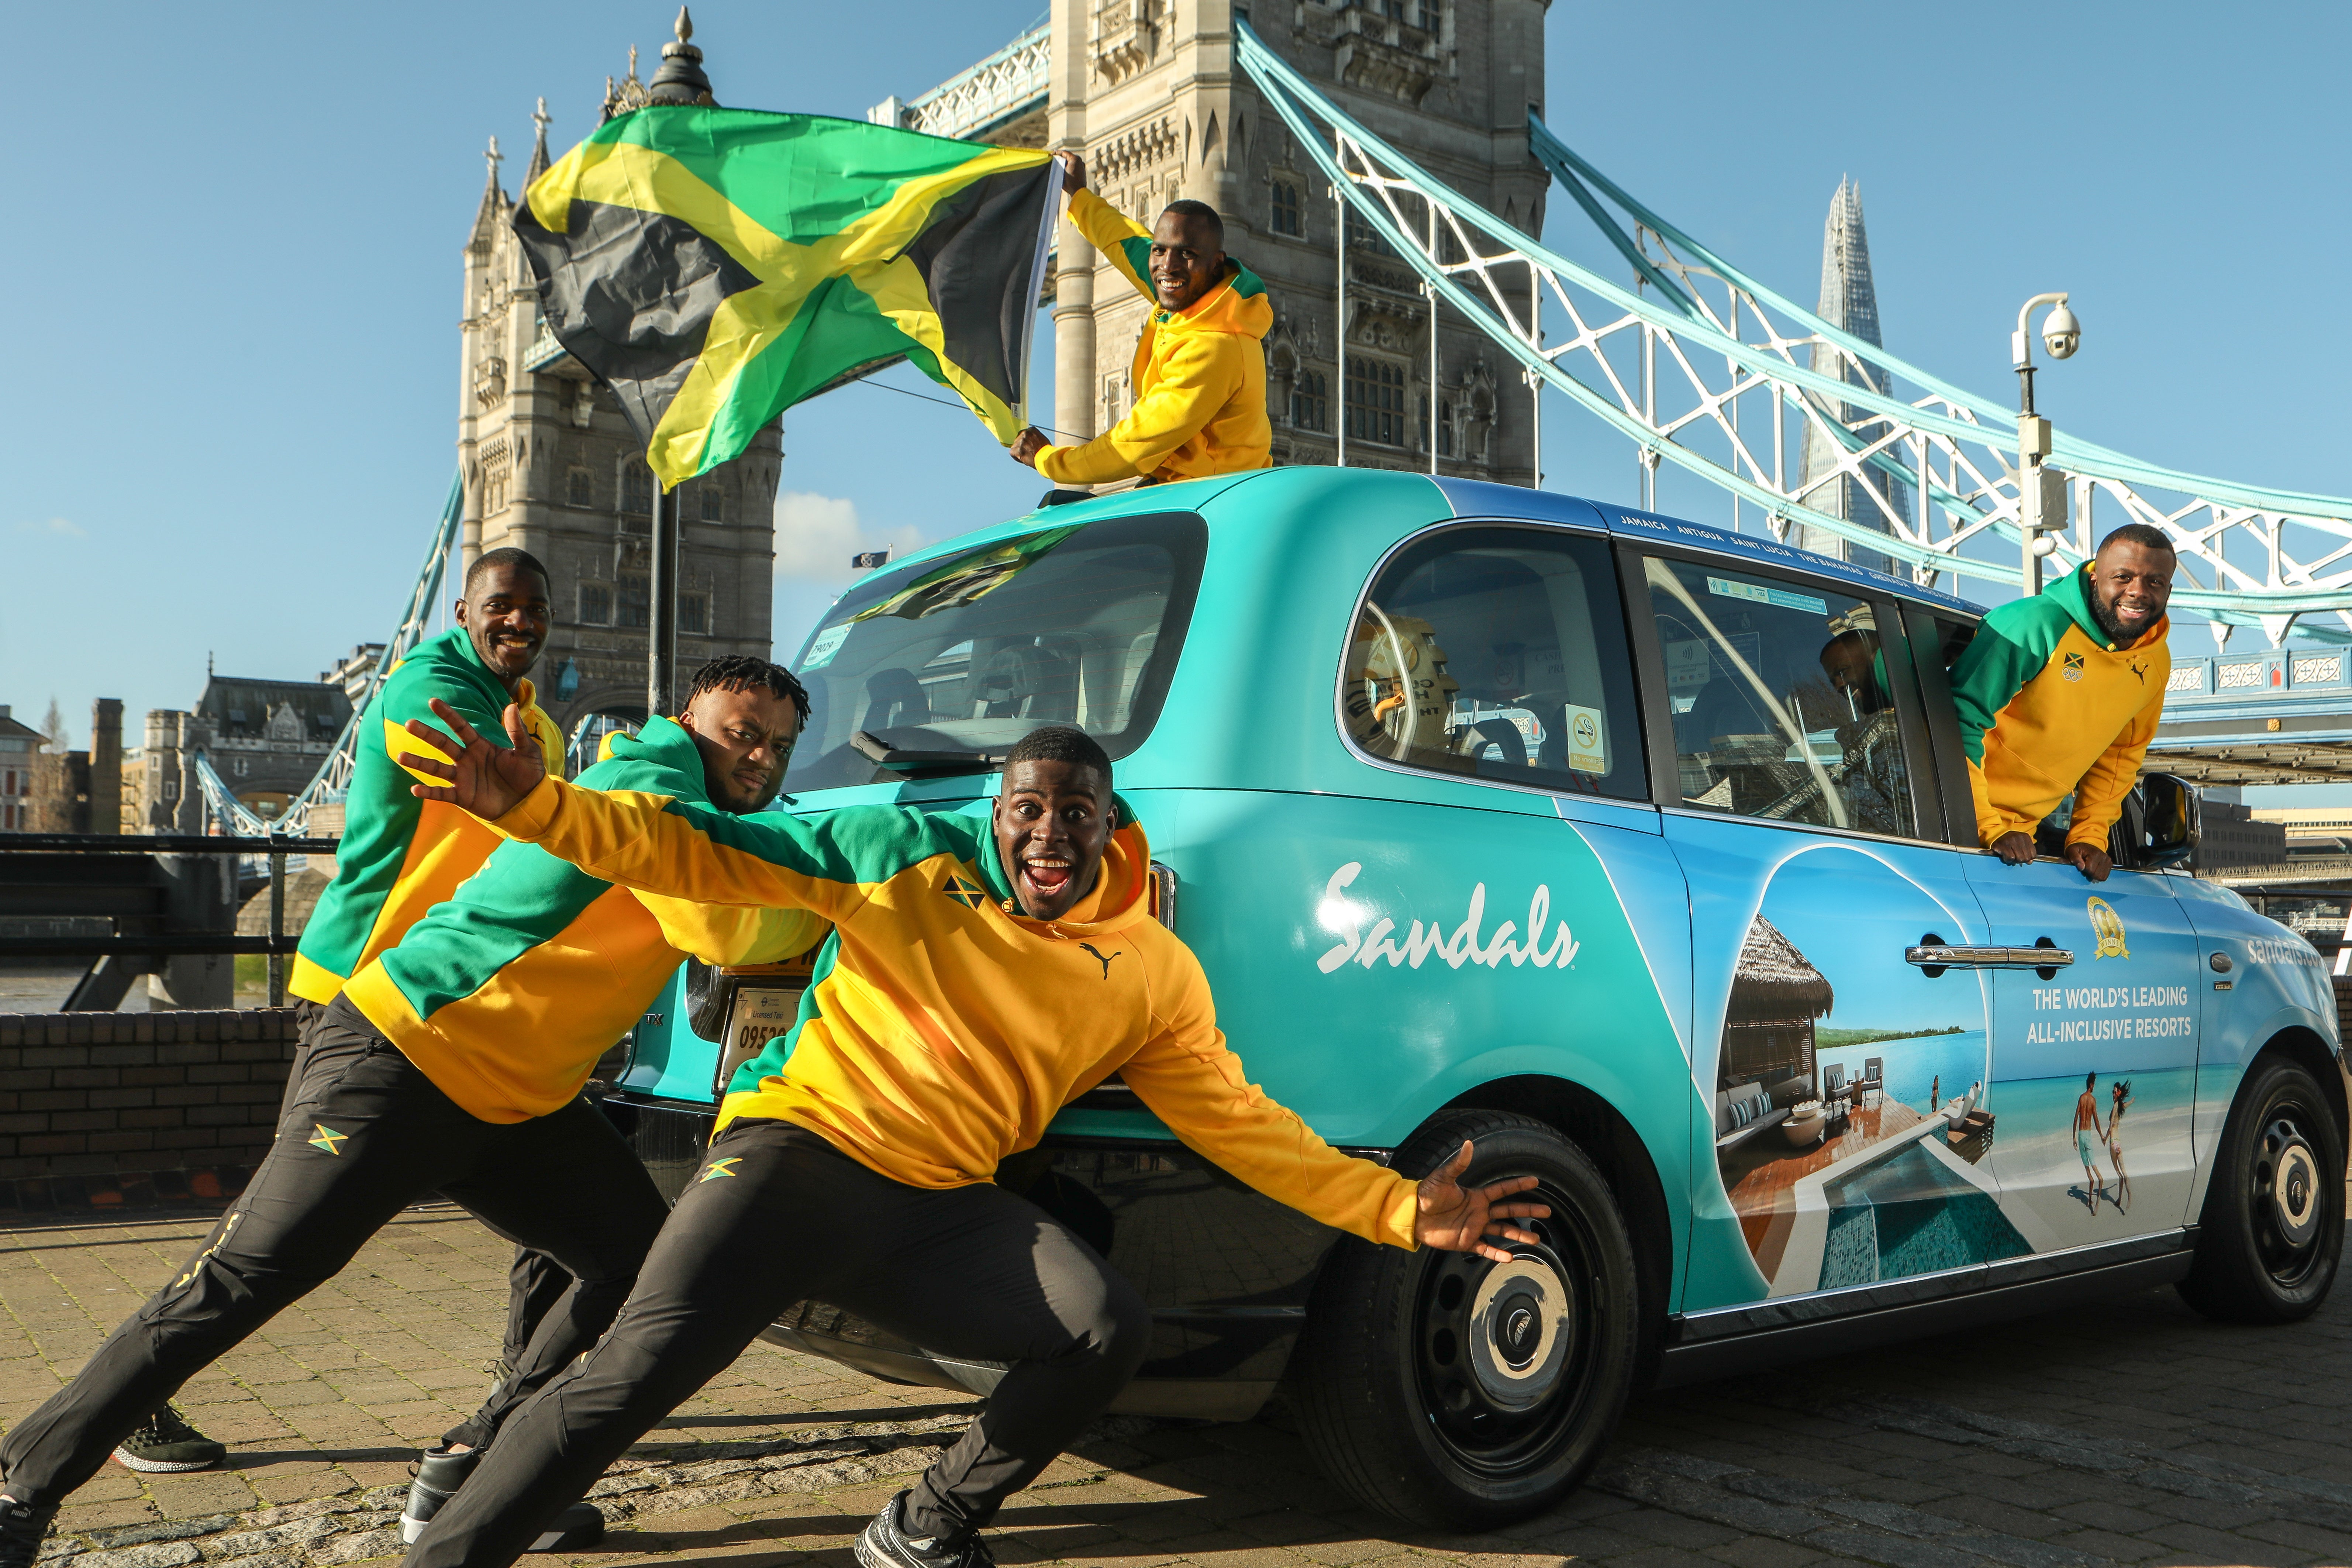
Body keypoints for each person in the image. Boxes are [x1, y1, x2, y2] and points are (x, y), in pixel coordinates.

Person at [389, 717, 1549, 1568]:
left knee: (1103, 1329)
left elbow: (1243, 1126)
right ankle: (452, 1547)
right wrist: (535, 808)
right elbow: (700, 847)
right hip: (793, 1156)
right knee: (632, 1377)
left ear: (1109, 827)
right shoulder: (908, 856)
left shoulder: (1150, 969)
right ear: (998, 815)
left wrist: (1401, 1210)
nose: (1047, 835)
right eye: (1026, 810)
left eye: (1075, 814)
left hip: (938, 1206)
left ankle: (923, 1524)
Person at [0, 659, 822, 1568]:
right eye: (740, 733)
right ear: (684, 719)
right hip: (406, 1054)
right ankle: (22, 1486)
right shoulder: (647, 781)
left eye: (779, 746)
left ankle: (474, 1472)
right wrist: (832, 905)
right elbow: (725, 927)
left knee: (637, 1265)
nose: (759, 758)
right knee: (241, 1281)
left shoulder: (733, 821)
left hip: (521, 1103)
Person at [1009, 152, 1271, 487]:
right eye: (1160, 250)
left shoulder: (1214, 348)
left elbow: (1133, 445)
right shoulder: (1192, 297)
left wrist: (1049, 460)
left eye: (1187, 254)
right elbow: (1128, 243)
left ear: (1217, 264)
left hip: (1213, 502)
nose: (1168, 266)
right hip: (1177, 488)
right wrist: (1080, 197)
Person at [1948, 524, 2175, 882]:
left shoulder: (2155, 662)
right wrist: (1986, 827)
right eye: (2122, 577)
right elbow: (1958, 722)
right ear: (2093, 578)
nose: (2137, 592)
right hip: (1947, 827)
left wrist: (2089, 836)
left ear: (2168, 589)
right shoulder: (2030, 624)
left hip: (2019, 845)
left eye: (2154, 582)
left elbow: (2121, 756)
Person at [2073, 1072, 2107, 1211]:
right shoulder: (2093, 1100)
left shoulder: (2082, 1098)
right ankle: (2099, 1179)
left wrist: (2073, 1137)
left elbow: (2076, 1118)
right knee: (2094, 1164)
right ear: (2092, 1085)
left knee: (2087, 1167)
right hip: (2089, 1135)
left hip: (2081, 1134)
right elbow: (2096, 1120)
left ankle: (2090, 1201)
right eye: (2094, 1085)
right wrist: (2102, 1136)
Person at [2106, 1079, 2134, 1214]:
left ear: (2118, 1093)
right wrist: (2133, 1101)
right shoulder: (2121, 1105)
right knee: (2124, 1173)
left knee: (2119, 1173)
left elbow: (2111, 1124)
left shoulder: (2116, 1105)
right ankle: (2124, 1198)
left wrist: (2105, 1137)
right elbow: (2127, 1105)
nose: (2113, 1094)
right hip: (2119, 1143)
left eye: (2114, 1092)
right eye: (2113, 1092)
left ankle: (2122, 1198)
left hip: (2113, 1143)